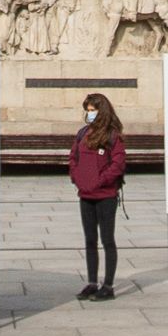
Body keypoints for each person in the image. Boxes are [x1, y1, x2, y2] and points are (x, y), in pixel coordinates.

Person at [69, 92, 126, 302]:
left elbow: (117, 165)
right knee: (90, 239)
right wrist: (77, 178)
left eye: (93, 110)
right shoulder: (83, 133)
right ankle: (92, 282)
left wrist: (99, 181)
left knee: (107, 240)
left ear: (102, 111)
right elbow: (73, 158)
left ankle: (108, 285)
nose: (89, 113)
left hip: (105, 195)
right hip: (85, 194)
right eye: (88, 110)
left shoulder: (113, 136)